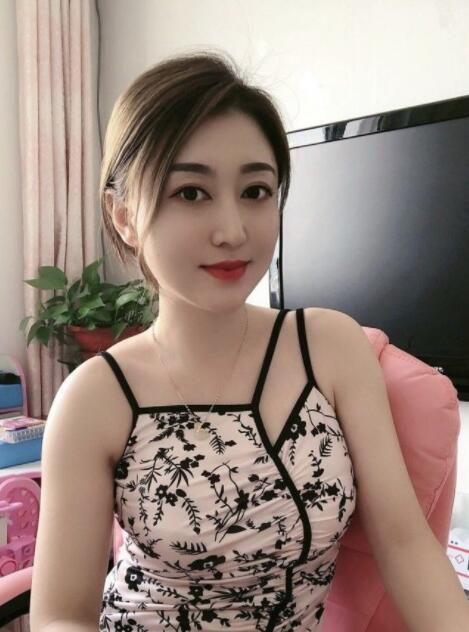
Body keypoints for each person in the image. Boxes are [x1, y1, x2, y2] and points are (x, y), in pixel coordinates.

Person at [30, 51, 469, 632]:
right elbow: (61, 616)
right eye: (191, 192)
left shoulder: (329, 347)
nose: (233, 230)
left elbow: (406, 545)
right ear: (124, 215)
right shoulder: (96, 396)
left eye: (256, 191)